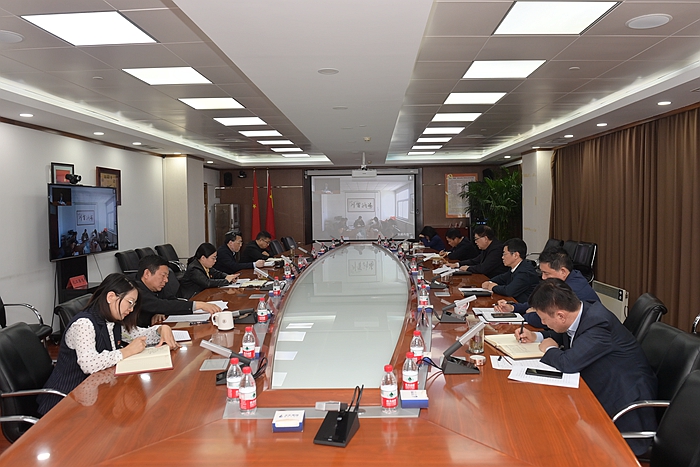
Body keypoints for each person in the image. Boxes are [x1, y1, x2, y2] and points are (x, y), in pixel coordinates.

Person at [515, 279, 657, 455]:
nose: (544, 324)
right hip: (600, 389)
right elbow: (568, 334)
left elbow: (568, 363)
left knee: (558, 442)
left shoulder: (598, 324)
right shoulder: (581, 311)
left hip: (623, 409)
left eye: (544, 319)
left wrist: (550, 349)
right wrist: (536, 336)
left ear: (560, 316)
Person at [37, 273, 180, 415]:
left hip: (95, 393)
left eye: (134, 305)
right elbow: (89, 364)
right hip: (65, 402)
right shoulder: (84, 324)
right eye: (130, 303)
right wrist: (126, 351)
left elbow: (138, 334)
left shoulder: (112, 320)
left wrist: (160, 330)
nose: (131, 309)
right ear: (111, 297)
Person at [494, 247, 600, 327]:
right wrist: (514, 308)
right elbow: (541, 302)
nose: (543, 277)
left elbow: (544, 321)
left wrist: (531, 313)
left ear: (563, 271)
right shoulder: (569, 277)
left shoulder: (569, 290)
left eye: (546, 273)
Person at [136, 255, 223, 327]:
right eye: (163, 275)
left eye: (167, 276)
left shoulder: (156, 287)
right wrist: (198, 305)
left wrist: (162, 311)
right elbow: (157, 304)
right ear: (147, 274)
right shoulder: (135, 290)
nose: (166, 280)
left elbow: (170, 301)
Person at [481, 238, 540, 302]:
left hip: (524, 306)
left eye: (504, 254)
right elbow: (502, 278)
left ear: (516, 255)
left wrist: (493, 287)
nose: (502, 257)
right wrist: (489, 282)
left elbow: (509, 291)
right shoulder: (517, 267)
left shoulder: (525, 272)